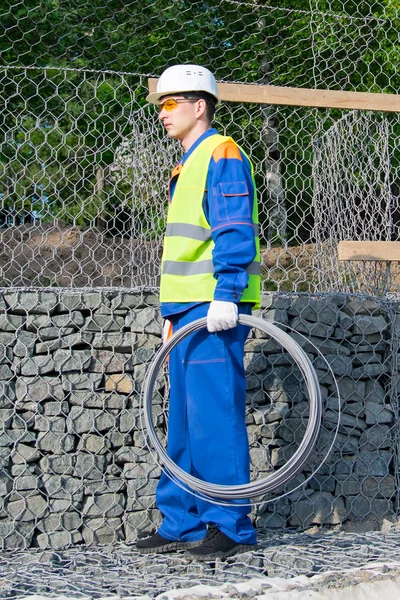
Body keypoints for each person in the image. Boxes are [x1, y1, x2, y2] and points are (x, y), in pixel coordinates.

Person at [136, 64, 260, 560]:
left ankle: (229, 524)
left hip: (214, 307)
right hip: (188, 310)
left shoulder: (220, 152)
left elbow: (234, 227)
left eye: (170, 104)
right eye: (161, 105)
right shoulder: (185, 165)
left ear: (199, 105)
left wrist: (227, 293)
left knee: (214, 415)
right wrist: (171, 313)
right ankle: (182, 521)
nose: (162, 113)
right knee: (183, 421)